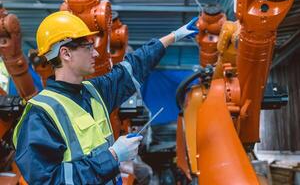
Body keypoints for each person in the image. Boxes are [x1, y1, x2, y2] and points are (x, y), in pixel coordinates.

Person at [12, 11, 198, 184]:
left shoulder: (94, 91)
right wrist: (113, 156)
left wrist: (174, 36)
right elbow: (49, 180)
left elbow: (134, 65)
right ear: (66, 53)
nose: (95, 53)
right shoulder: (40, 114)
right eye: (88, 47)